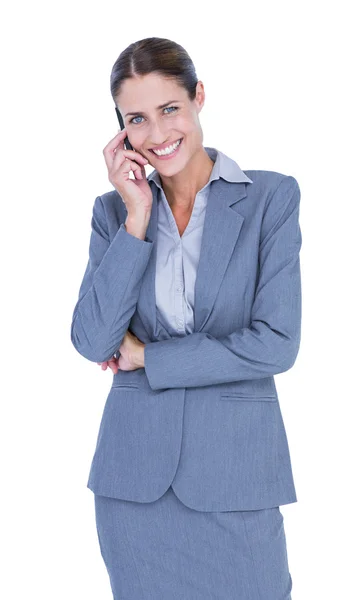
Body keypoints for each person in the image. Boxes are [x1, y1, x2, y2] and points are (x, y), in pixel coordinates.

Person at [70, 36, 302, 600]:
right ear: (122, 131)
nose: (158, 133)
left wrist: (148, 356)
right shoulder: (114, 212)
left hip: (236, 476)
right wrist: (137, 215)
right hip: (134, 486)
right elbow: (93, 338)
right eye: (137, 119)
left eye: (170, 108)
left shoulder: (271, 198)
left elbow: (276, 344)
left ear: (199, 97)